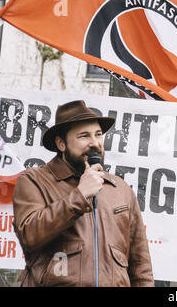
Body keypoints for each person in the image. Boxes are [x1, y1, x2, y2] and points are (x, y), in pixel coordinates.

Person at [12, 100, 154, 287]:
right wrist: (79, 196)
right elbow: (29, 235)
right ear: (61, 143)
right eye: (84, 136)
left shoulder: (119, 189)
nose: (94, 143)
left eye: (98, 135)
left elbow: (141, 265)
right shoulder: (34, 181)